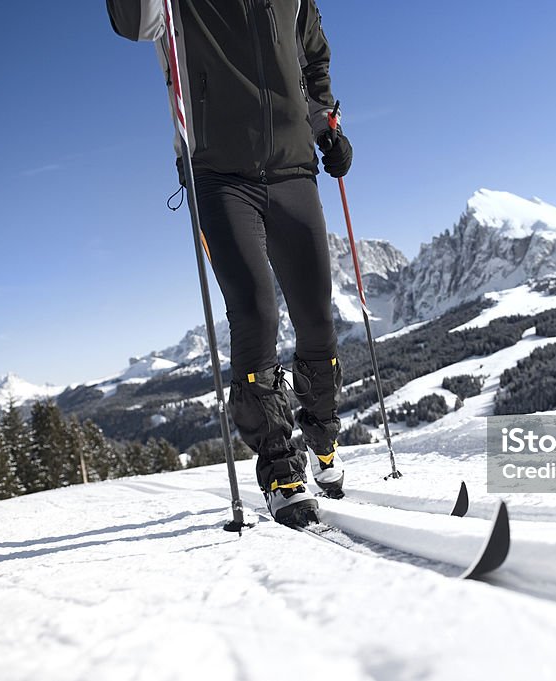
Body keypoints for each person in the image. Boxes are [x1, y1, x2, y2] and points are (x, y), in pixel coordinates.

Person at [106, 0, 351, 527]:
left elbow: (312, 57)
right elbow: (134, 22)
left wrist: (324, 123)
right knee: (256, 310)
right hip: (218, 173)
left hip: (293, 169)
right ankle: (280, 469)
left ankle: (324, 435)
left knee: (316, 316)